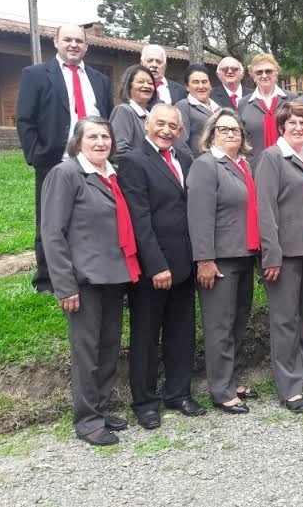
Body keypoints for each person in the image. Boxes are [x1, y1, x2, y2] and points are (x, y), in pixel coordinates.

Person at [40, 117, 140, 446]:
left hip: (114, 276)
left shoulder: (113, 175)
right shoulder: (66, 174)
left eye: (105, 137)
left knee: (108, 348)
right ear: (77, 142)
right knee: (86, 352)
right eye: (93, 137)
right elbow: (52, 233)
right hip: (83, 281)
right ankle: (87, 420)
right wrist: (64, 285)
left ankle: (100, 408)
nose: (100, 142)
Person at [117, 104, 205, 430]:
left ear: (180, 132)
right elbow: (138, 219)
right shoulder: (133, 162)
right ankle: (145, 402)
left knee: (182, 333)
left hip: (184, 263)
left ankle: (178, 393)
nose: (167, 131)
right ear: (147, 126)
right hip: (153, 268)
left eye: (173, 126)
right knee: (146, 337)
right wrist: (156, 265)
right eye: (160, 124)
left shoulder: (185, 159)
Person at [17, 24, 113, 294]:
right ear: (56, 42)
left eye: (79, 41)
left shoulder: (99, 80)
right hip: (54, 160)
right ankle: (47, 279)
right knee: (50, 220)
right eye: (68, 39)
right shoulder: (36, 75)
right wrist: (37, 157)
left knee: (96, 217)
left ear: (86, 46)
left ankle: (93, 269)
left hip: (94, 161)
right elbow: (25, 120)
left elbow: (107, 117)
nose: (73, 45)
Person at [255, 102, 303, 413]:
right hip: (285, 253)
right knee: (285, 320)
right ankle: (289, 387)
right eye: (292, 123)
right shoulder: (272, 157)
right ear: (281, 127)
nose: (298, 128)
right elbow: (265, 208)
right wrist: (271, 254)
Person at [187, 109, 259, 414]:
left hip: (244, 254)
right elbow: (199, 215)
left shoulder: (243, 165)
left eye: (235, 130)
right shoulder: (206, 165)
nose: (230, 134)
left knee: (237, 322)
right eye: (223, 129)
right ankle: (220, 389)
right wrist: (204, 259)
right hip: (219, 261)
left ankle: (232, 379)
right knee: (219, 326)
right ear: (211, 134)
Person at [237, 53, 294, 166]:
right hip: (256, 166)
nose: (264, 75)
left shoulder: (292, 99)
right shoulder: (243, 104)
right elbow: (241, 137)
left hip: (289, 165)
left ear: (276, 74)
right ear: (253, 77)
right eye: (259, 72)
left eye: (268, 71)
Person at [109, 65, 158, 159]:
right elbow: (119, 151)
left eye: (150, 83)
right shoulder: (124, 111)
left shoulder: (150, 115)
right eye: (140, 82)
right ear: (128, 86)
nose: (147, 86)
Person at [175, 64, 220, 158]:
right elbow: (180, 142)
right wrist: (193, 163)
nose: (201, 86)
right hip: (201, 162)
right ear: (187, 86)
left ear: (210, 85)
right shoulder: (183, 106)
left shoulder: (218, 108)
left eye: (204, 82)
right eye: (195, 82)